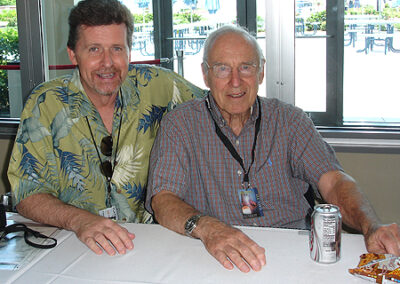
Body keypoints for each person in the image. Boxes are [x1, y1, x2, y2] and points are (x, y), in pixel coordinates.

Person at [146, 25, 400, 273]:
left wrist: (371, 225)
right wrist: (209, 228)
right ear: (205, 74)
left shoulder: (291, 121)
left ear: (261, 72)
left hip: (292, 252)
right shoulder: (180, 125)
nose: (235, 81)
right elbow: (162, 200)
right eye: (223, 69)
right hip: (211, 254)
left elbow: (333, 182)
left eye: (246, 67)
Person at [7, 0, 203, 256]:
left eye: (117, 49)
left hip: (153, 247)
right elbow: (27, 193)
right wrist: (80, 221)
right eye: (94, 49)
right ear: (73, 54)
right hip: (75, 246)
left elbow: (219, 103)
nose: (107, 62)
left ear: (129, 51)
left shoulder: (158, 85)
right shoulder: (46, 104)